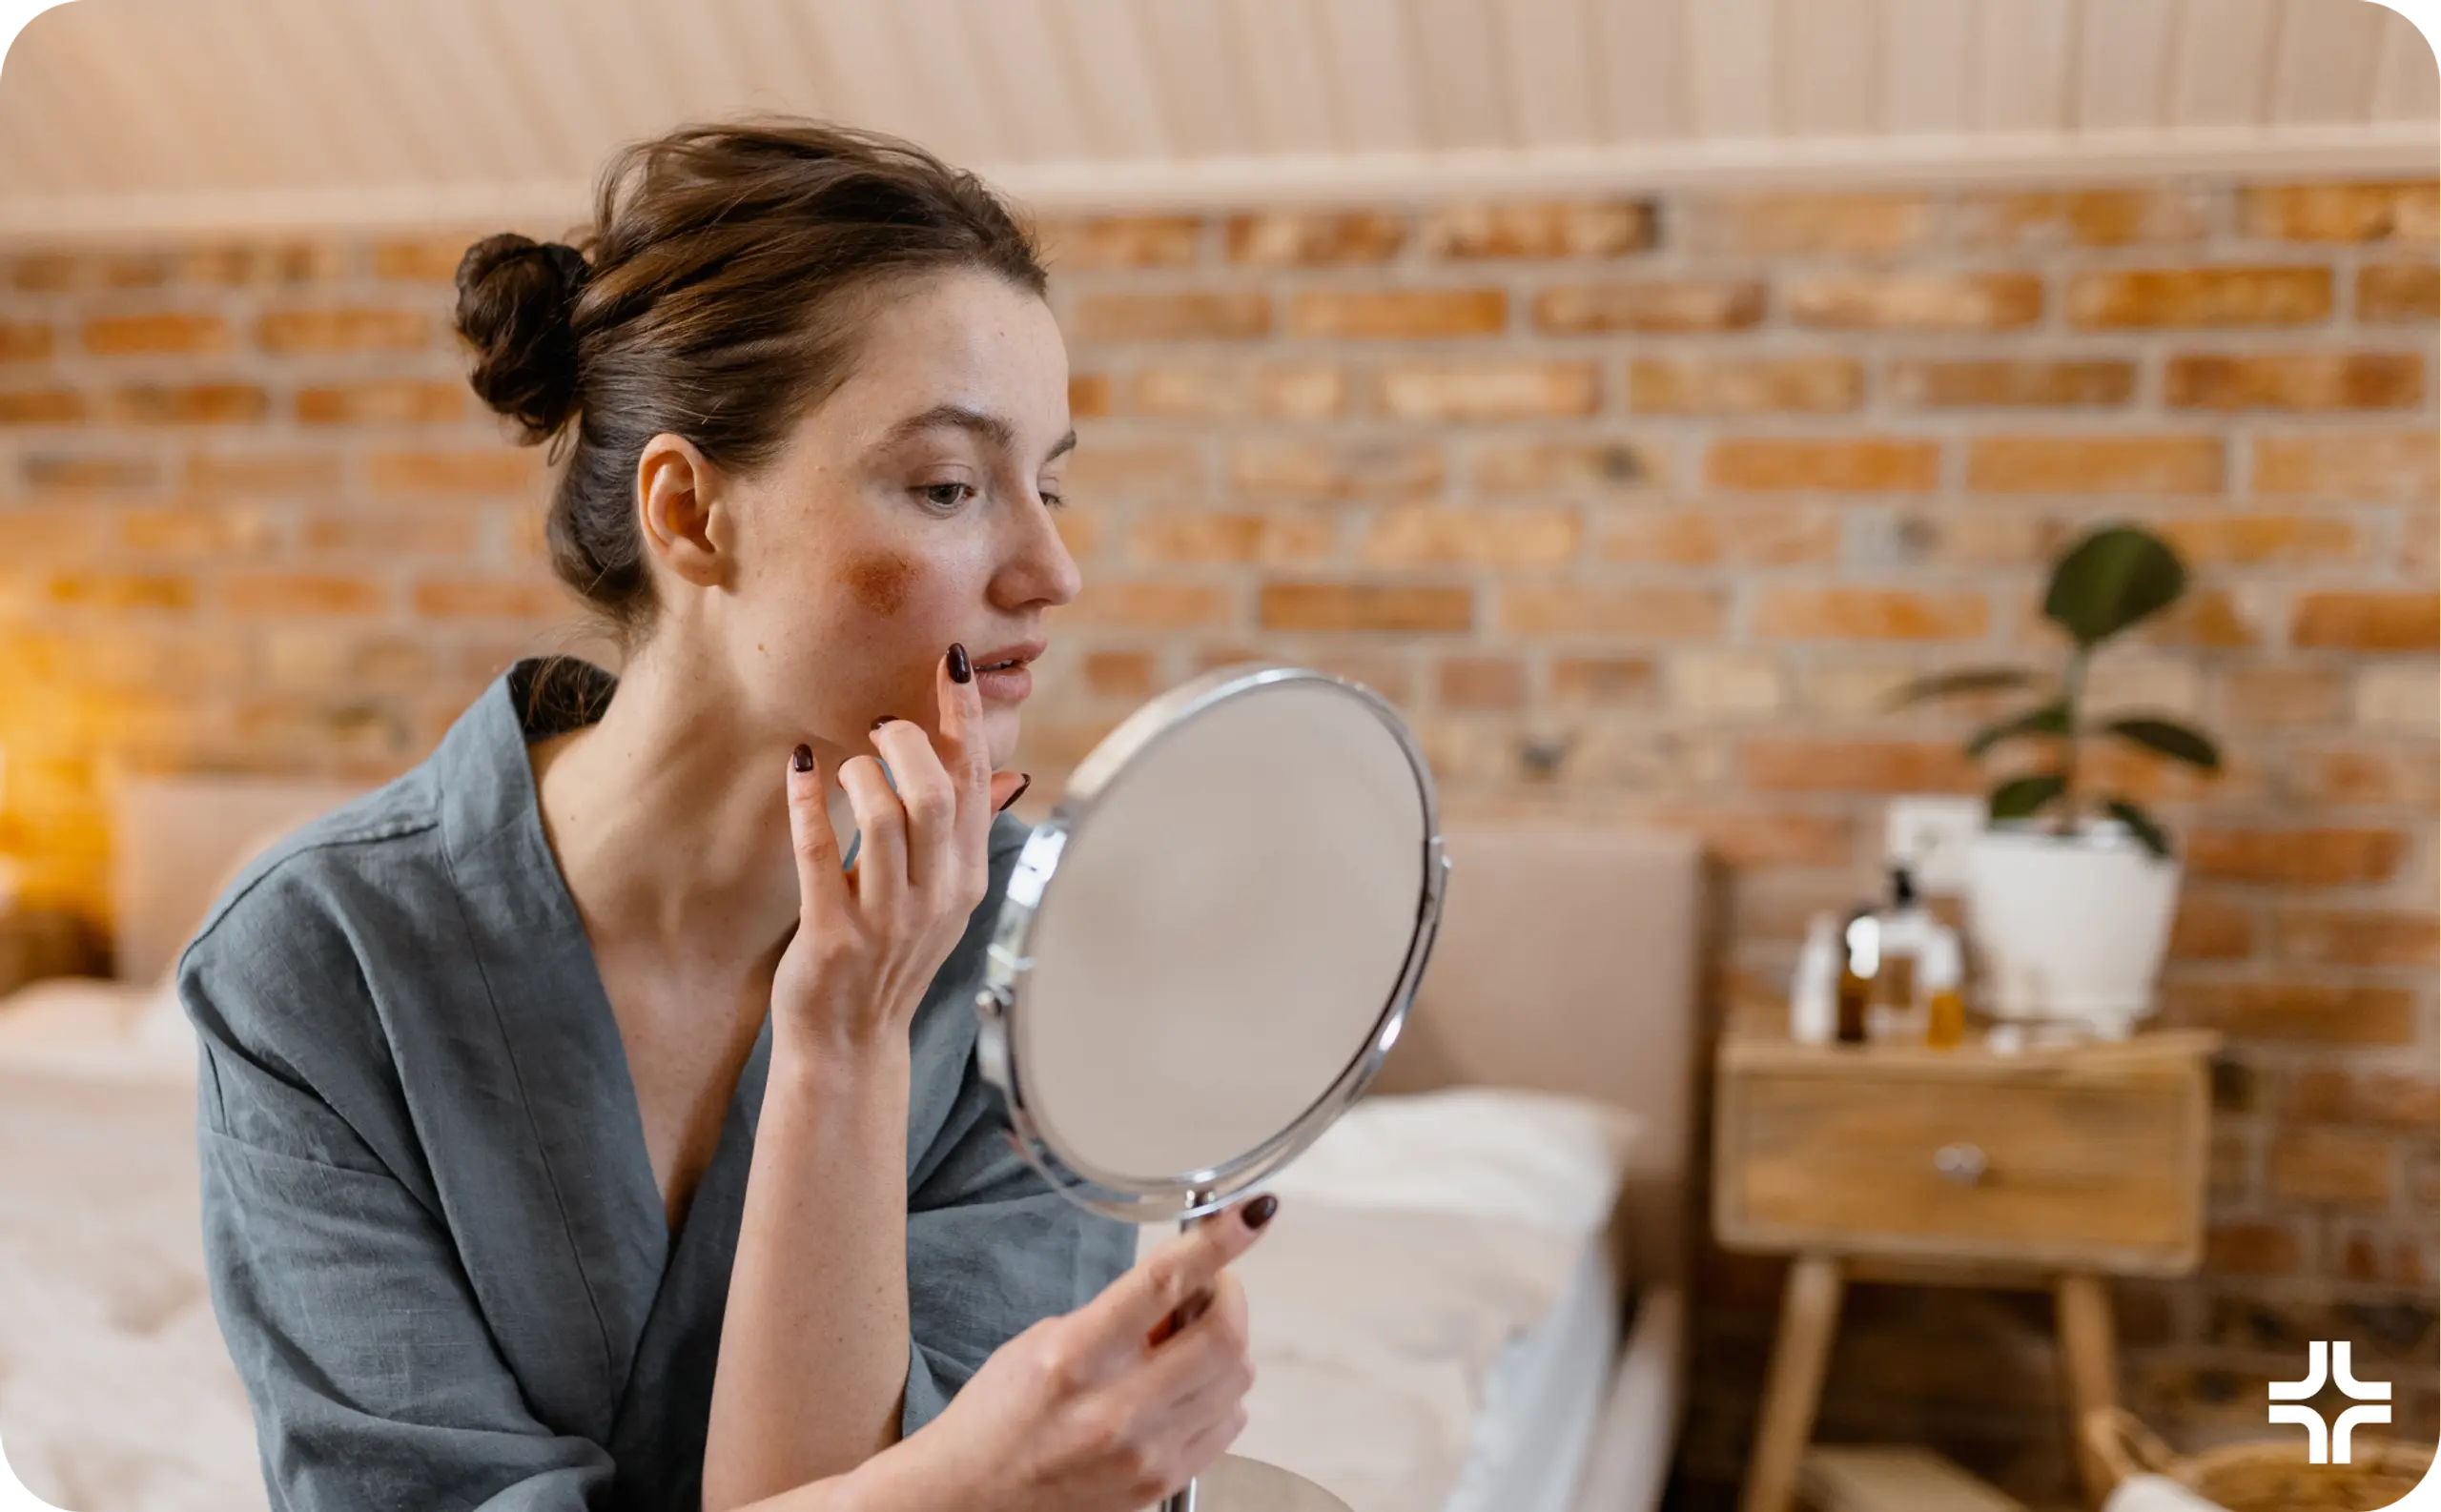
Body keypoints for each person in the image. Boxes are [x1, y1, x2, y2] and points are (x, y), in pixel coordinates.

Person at [181, 117, 1271, 1512]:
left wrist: (848, 1044)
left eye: (1049, 484)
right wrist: (972, 1479)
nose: (1053, 567)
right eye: (951, 485)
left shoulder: (1037, 955)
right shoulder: (322, 963)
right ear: (691, 514)